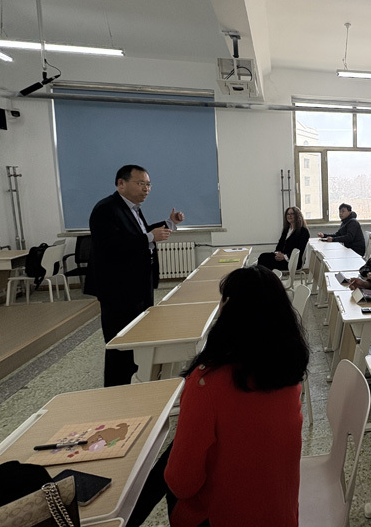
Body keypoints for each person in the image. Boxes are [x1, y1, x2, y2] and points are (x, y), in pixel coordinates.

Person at [129, 266, 309, 527]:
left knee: (169, 467)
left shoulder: (206, 383)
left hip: (223, 518)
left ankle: (126, 516)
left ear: (228, 310)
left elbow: (182, 485)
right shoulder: (288, 373)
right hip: (281, 516)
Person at [85, 164, 184, 387]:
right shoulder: (106, 209)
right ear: (121, 184)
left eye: (148, 184)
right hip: (119, 289)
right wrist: (149, 237)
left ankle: (137, 382)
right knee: (121, 343)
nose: (146, 189)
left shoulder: (133, 208)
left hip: (138, 285)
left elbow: (138, 234)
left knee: (139, 338)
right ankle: (116, 391)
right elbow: (111, 246)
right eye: (140, 184)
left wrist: (170, 224)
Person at [256, 206, 310, 272]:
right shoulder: (287, 229)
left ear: (297, 215)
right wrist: (277, 253)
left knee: (265, 261)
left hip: (292, 261)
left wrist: (284, 257)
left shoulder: (303, 231)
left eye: (292, 214)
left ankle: (264, 277)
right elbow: (280, 244)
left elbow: (299, 250)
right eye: (288, 214)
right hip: (282, 257)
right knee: (263, 256)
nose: (289, 216)